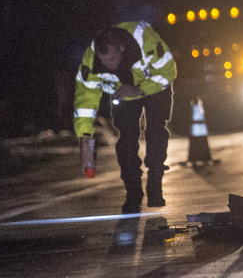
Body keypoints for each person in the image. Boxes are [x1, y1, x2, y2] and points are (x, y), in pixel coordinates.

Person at [75, 21, 177, 212]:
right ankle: (133, 193)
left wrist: (139, 89)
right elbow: (85, 103)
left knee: (155, 129)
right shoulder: (92, 60)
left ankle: (155, 184)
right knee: (126, 138)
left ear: (121, 48)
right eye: (104, 62)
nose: (109, 66)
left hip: (153, 86)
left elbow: (167, 71)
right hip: (122, 92)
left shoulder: (144, 39)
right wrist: (85, 142)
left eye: (112, 60)